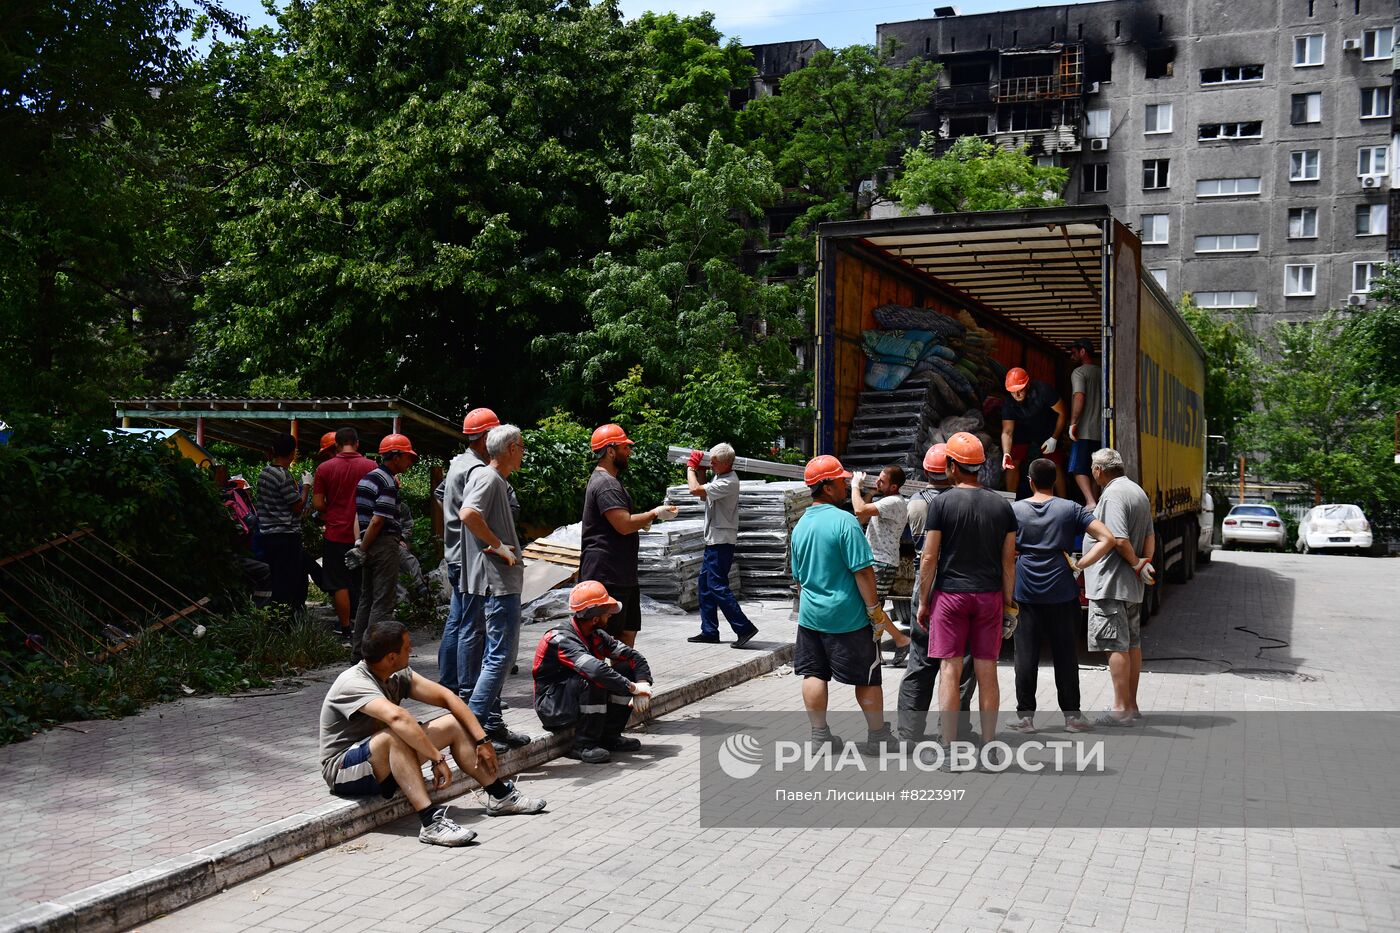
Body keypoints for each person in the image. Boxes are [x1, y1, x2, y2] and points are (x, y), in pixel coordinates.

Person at [318, 620, 546, 847]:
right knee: (395, 734)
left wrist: (482, 739)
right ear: (391, 657)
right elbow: (398, 718)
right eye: (407, 647)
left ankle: (500, 796)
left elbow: (447, 698)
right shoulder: (353, 682)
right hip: (342, 770)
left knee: (452, 724)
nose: (412, 649)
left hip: (380, 762)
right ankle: (431, 823)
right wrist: (437, 758)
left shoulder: (397, 674)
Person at [789, 455, 898, 755]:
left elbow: (799, 578)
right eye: (840, 480)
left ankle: (820, 736)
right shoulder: (845, 522)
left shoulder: (800, 527)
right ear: (826, 487)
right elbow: (862, 571)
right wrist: (875, 611)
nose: (845, 483)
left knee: (813, 674)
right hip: (848, 617)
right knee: (866, 677)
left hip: (811, 617)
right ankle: (877, 737)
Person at [917, 432, 1017, 759]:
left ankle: (948, 748)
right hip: (988, 597)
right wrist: (1009, 604)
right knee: (987, 671)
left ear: (952, 466)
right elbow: (1008, 563)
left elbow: (929, 558)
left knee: (950, 669)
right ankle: (989, 748)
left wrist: (922, 600)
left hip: (950, 597)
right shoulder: (1002, 506)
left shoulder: (942, 503)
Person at [1007, 458, 1117, 735]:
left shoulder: (1015, 510)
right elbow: (1108, 538)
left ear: (1029, 480)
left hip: (1026, 591)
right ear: (1055, 481)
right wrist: (1081, 564)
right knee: (1066, 655)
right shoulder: (1070, 508)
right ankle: (1072, 718)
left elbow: (1002, 550)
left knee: (1025, 656)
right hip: (1062, 590)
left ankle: (1026, 718)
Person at [458, 424, 532, 754]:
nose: (525, 452)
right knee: (499, 658)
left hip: (500, 581)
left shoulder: (496, 479)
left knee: (497, 656)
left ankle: (492, 725)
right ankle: (472, 734)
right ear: (512, 448)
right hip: (497, 583)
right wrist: (499, 545)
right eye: (523, 446)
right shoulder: (488, 478)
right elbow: (469, 514)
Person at [897, 444, 975, 742]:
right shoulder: (962, 502)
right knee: (960, 661)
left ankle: (909, 732)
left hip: (924, 582)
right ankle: (956, 731)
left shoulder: (916, 503)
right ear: (952, 469)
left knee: (921, 658)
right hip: (958, 581)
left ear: (927, 471)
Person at [532, 581, 656, 763]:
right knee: (593, 679)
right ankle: (584, 745)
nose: (610, 616)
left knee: (625, 668)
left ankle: (609, 736)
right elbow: (596, 671)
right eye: (607, 612)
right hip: (554, 706)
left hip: (575, 695)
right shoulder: (560, 639)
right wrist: (632, 688)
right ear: (595, 618)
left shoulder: (597, 634)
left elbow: (633, 658)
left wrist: (643, 684)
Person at [578, 423, 677, 648]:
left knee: (626, 635)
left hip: (621, 573)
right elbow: (623, 524)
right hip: (607, 575)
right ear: (611, 451)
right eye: (625, 447)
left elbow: (623, 523)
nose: (629, 451)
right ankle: (603, 683)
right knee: (603, 641)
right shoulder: (606, 485)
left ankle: (622, 682)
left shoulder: (610, 481)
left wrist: (644, 521)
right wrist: (654, 514)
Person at [1083, 448, 1155, 726]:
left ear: (1099, 471)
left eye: (1093, 470)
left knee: (1115, 645)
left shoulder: (1112, 495)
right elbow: (1150, 535)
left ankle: (1120, 709)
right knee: (1132, 644)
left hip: (1111, 583)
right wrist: (1145, 565)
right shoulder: (1137, 491)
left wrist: (1136, 563)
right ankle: (1132, 705)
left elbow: (1118, 539)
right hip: (1131, 586)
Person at [435, 407, 499, 701]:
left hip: (455, 554)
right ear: (485, 437)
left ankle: (449, 684)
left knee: (457, 621)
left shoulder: (458, 464)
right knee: (473, 627)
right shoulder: (476, 470)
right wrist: (497, 544)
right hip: (470, 557)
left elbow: (440, 495)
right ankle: (468, 692)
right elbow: (475, 514)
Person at [347, 434, 417, 661]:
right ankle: (374, 657)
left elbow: (360, 517)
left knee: (366, 600)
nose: (410, 462)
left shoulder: (366, 479)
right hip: (383, 543)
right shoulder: (387, 482)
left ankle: (358, 653)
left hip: (368, 542)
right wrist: (363, 548)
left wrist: (360, 545)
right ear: (395, 457)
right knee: (383, 603)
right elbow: (378, 520)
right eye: (408, 457)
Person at [684, 443, 759, 648]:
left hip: (722, 541)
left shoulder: (729, 481)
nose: (711, 465)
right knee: (705, 586)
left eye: (714, 463)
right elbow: (702, 494)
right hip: (714, 539)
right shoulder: (719, 476)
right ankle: (709, 631)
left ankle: (744, 627)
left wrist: (691, 468)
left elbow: (694, 490)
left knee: (717, 586)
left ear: (726, 464)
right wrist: (700, 471)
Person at [313, 427, 376, 639]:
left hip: (335, 533)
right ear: (357, 443)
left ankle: (346, 629)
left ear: (337, 445)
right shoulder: (371, 466)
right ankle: (364, 627)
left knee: (339, 583)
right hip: (366, 535)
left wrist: (330, 508)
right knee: (364, 582)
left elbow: (318, 503)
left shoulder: (324, 468)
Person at [255, 434, 312, 611]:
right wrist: (307, 486)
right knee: (288, 581)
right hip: (285, 537)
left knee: (278, 578)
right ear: (292, 453)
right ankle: (284, 619)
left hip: (268, 534)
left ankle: (278, 617)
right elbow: (297, 506)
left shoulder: (265, 472)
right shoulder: (283, 476)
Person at [850, 464, 909, 632]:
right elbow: (860, 519)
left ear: (894, 487)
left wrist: (855, 485)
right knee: (872, 610)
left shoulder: (894, 502)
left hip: (882, 564)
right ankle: (881, 650)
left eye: (882, 481)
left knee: (872, 609)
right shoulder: (886, 501)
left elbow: (859, 510)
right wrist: (870, 494)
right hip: (878, 561)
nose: (877, 482)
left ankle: (899, 640)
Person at [1000, 367, 1068, 498]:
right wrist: (1006, 453)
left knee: (1054, 462)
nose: (1017, 395)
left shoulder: (1043, 390)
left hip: (1046, 426)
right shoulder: (1009, 402)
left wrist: (1054, 437)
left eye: (1020, 390)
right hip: (1022, 429)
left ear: (1028, 384)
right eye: (1013, 392)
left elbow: (1062, 412)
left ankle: (1064, 501)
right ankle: (1010, 502)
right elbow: (1007, 431)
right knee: (1012, 462)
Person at [1068, 339, 1104, 508]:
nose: (1071, 355)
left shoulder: (1079, 373)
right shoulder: (1103, 373)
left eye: (1074, 352)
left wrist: (1073, 423)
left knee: (1078, 468)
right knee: (1095, 468)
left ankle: (1089, 501)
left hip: (1084, 431)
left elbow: (1079, 396)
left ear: (1083, 352)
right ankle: (1095, 501)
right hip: (1101, 432)